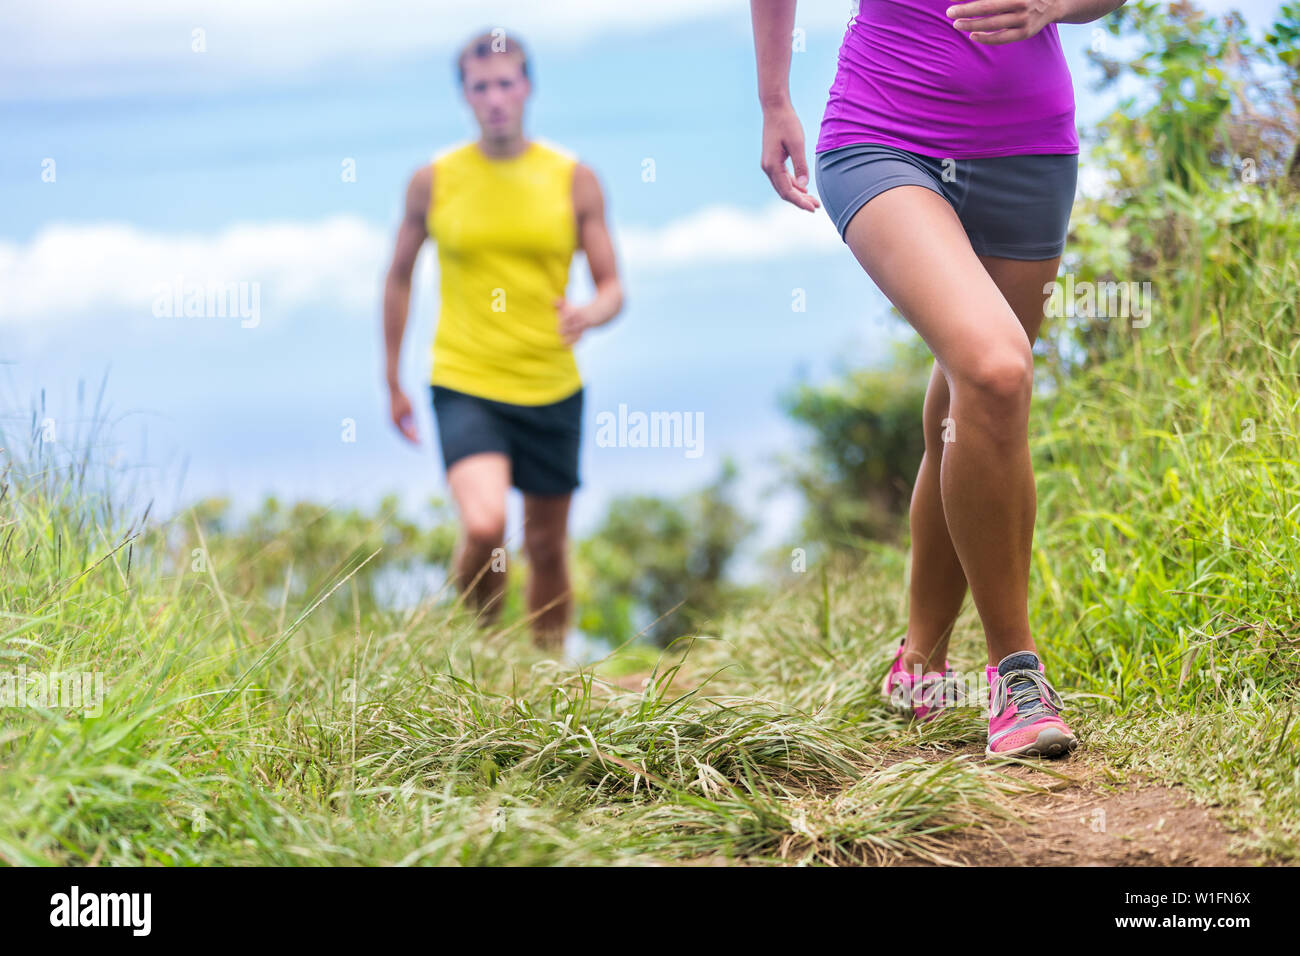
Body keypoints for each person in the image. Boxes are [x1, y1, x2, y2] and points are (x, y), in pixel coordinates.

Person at [749, 0, 1127, 757]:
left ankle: (919, 664)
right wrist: (773, 98)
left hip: (1030, 149)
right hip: (884, 135)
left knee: (968, 400)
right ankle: (1017, 678)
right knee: (994, 370)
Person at [382, 31, 623, 650]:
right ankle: (482, 652)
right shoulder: (433, 180)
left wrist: (590, 314)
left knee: (545, 545)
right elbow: (399, 276)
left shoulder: (574, 179)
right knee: (486, 524)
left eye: (506, 82)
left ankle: (544, 677)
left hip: (551, 385)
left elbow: (612, 286)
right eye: (481, 85)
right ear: (465, 95)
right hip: (466, 380)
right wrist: (392, 377)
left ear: (528, 86)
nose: (495, 97)